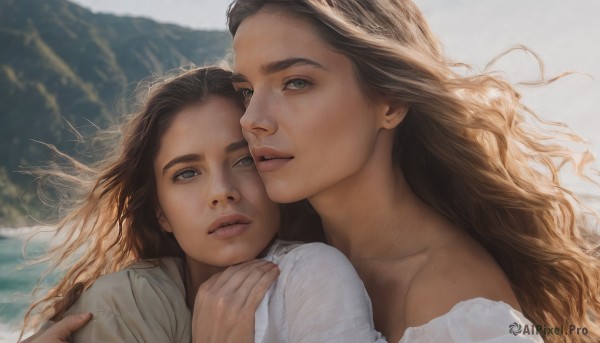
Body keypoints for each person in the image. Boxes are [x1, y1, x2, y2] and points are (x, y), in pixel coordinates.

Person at [224, 0, 600, 342]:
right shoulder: (271, 250)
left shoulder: (454, 304)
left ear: (390, 102)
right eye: (246, 91)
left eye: (296, 83)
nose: (252, 119)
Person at [19, 67, 384, 342]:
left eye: (244, 161)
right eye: (187, 173)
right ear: (160, 211)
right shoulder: (127, 302)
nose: (221, 192)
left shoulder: (312, 277)